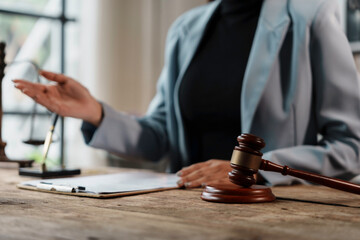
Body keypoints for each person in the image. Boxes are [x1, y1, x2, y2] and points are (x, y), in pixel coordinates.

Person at [14, 0, 360, 187]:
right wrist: (96, 113)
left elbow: (350, 148)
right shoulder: (186, 28)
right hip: (180, 209)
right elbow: (160, 135)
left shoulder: (312, 15)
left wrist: (251, 170)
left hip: (271, 216)